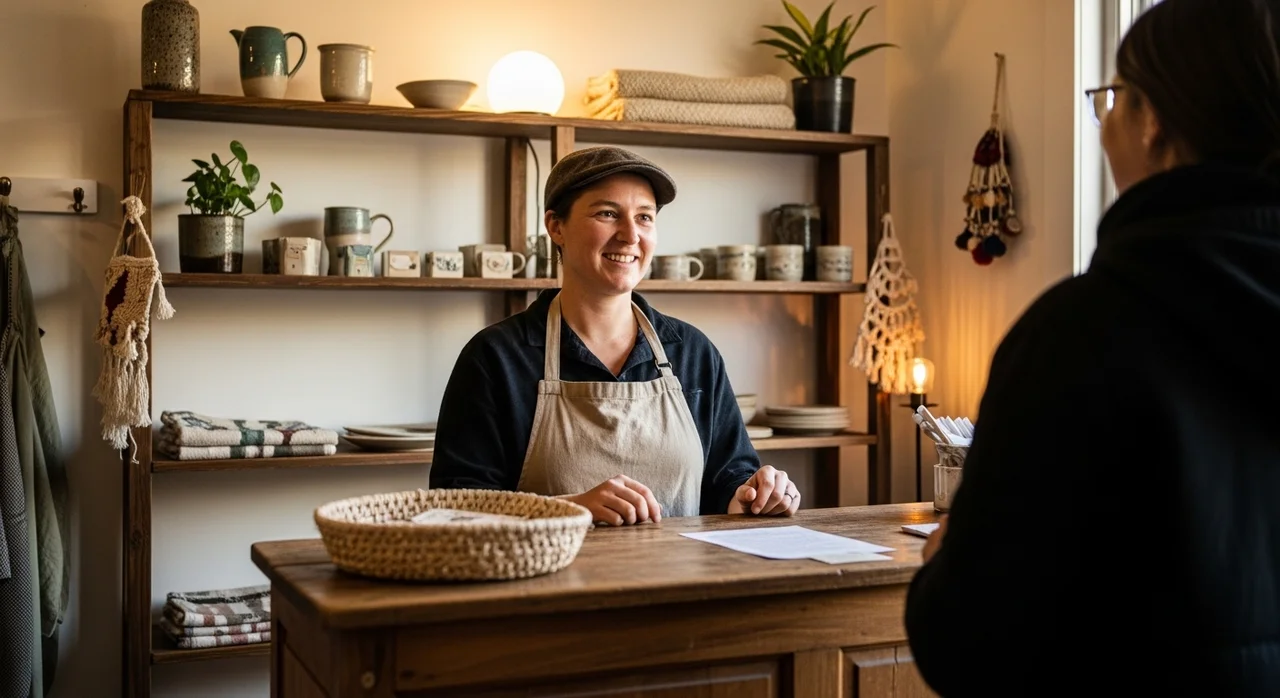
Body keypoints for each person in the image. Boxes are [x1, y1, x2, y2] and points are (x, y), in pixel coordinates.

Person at [904, 0, 1280, 694]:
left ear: (1154, 120)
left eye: (1109, 99)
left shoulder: (1082, 334)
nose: (1104, 123)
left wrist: (945, 563)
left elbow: (975, 638)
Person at [429, 146, 800, 525]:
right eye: (607, 214)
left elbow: (728, 479)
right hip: (546, 583)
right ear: (556, 226)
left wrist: (755, 494)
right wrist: (566, 510)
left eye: (644, 217)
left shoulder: (691, 352)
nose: (630, 235)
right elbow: (454, 507)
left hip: (682, 580)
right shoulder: (496, 358)